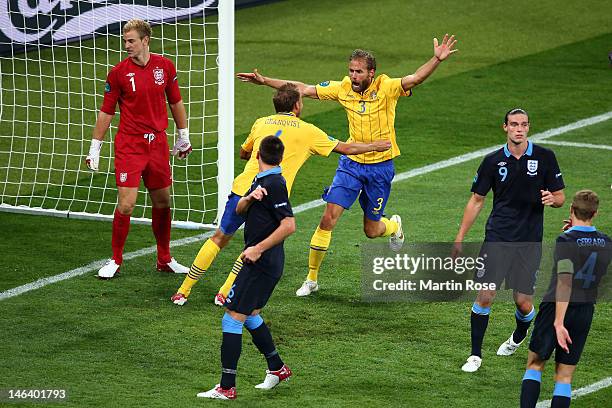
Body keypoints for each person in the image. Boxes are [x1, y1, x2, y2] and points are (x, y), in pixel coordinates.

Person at [237, 34, 459, 297]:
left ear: (371, 73)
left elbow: (415, 78)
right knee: (328, 217)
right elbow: (302, 88)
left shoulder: (386, 87)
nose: (353, 76)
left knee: (371, 230)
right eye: (351, 71)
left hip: (380, 168)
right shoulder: (342, 88)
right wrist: (265, 81)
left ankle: (394, 226)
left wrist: (436, 59)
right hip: (351, 164)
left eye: (358, 72)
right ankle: (311, 279)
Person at [171, 83, 391, 305]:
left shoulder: (261, 123)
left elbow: (244, 152)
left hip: (243, 188)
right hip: (270, 196)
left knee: (219, 238)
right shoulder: (308, 131)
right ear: (297, 105)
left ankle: (183, 291)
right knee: (253, 244)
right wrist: (376, 146)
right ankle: (224, 292)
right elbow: (347, 148)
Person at [453, 108, 566, 373]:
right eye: (514, 124)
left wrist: (554, 200)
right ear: (505, 127)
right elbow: (477, 200)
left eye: (524, 124)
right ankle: (475, 355)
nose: (519, 129)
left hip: (529, 241)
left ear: (528, 127)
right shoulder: (492, 162)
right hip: (497, 237)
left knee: (523, 302)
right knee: (485, 295)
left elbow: (560, 196)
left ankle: (518, 334)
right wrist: (460, 237)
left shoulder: (545, 157)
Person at [84, 19, 193, 279]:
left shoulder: (164, 66)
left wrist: (183, 136)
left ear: (146, 40)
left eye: (131, 40)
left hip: (157, 143)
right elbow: (106, 111)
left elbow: (175, 102)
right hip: (130, 145)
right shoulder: (118, 73)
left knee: (163, 201)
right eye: (125, 41)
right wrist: (94, 148)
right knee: (127, 204)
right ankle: (116, 259)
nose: (126, 45)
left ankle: (164, 258)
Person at [197, 136, 295, 400]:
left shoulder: (274, 183)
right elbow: (241, 210)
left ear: (257, 155)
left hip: (261, 262)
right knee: (250, 314)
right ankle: (277, 368)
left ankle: (226, 387)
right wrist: (250, 197)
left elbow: (289, 225)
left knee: (231, 318)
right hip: (262, 262)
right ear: (280, 158)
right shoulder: (261, 181)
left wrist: (258, 248)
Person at [519, 190, 611, 408]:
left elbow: (565, 281)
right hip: (585, 311)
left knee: (535, 365)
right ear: (595, 214)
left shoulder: (566, 240)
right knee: (564, 376)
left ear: (571, 209)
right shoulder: (606, 242)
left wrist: (558, 322)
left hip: (556, 309)